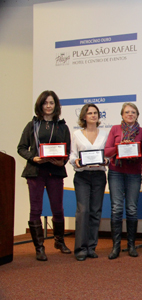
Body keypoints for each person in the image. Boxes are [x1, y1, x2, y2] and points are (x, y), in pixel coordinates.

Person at [17, 90, 71, 261]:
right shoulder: (31, 125)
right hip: (36, 171)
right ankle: (39, 247)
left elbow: (67, 150)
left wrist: (62, 161)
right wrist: (33, 157)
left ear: (56, 106)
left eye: (51, 103)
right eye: (45, 103)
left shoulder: (62, 126)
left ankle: (59, 241)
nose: (48, 106)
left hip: (55, 171)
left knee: (58, 208)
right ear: (40, 105)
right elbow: (21, 148)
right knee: (36, 209)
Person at [105, 102, 142, 259]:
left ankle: (131, 245)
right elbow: (107, 151)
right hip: (116, 172)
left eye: (133, 112)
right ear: (122, 114)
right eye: (127, 112)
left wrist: (134, 153)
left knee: (132, 209)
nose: (130, 114)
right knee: (116, 208)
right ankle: (116, 246)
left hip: (134, 173)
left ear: (137, 115)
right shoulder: (115, 129)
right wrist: (120, 147)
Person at [69, 104, 109, 261]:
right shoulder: (76, 134)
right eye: (90, 113)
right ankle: (80, 248)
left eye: (95, 113)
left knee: (95, 211)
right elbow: (72, 154)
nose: (93, 115)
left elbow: (108, 155)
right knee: (83, 211)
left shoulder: (105, 134)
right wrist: (76, 161)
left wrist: (106, 160)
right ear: (84, 116)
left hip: (99, 176)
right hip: (82, 176)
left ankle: (91, 247)